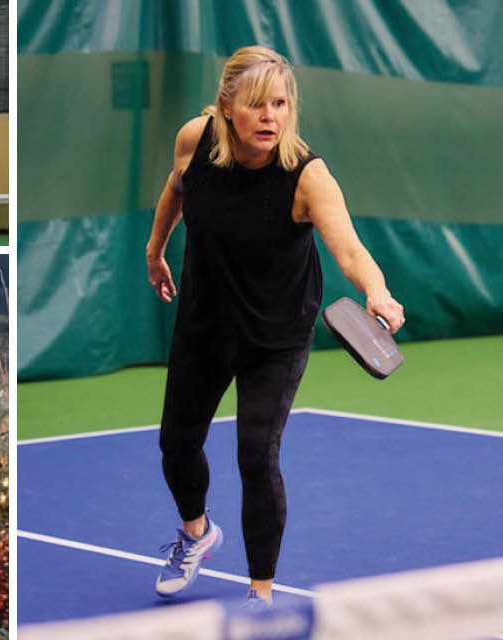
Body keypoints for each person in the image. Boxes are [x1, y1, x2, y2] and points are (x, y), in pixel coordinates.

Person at [145, 45, 405, 607]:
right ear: (225, 109)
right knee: (176, 444)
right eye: (257, 104)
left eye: (281, 104)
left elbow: (351, 251)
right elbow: (176, 187)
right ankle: (196, 534)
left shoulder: (308, 177)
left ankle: (260, 594)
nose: (270, 117)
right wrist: (154, 249)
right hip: (205, 321)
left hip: (275, 334)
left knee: (256, 454)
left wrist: (377, 291)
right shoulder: (196, 139)